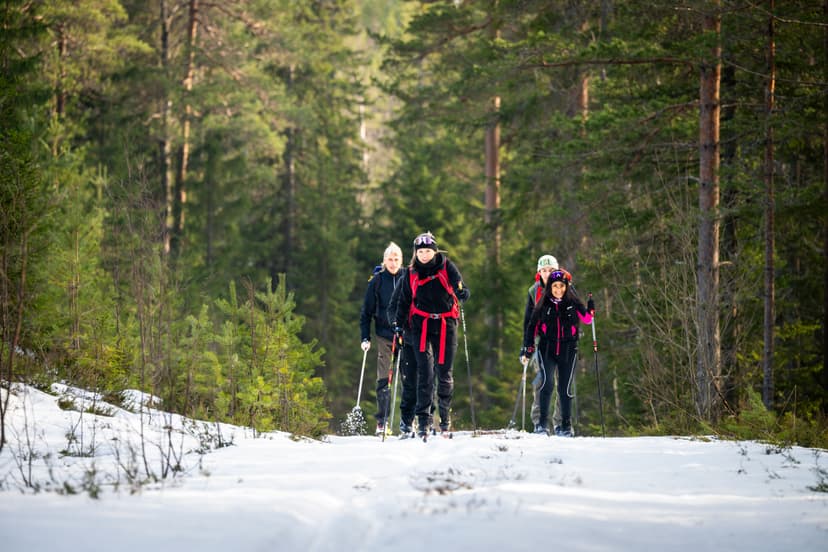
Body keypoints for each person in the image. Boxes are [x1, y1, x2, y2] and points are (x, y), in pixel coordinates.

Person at [393, 232, 469, 439]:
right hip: (421, 325)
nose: (424, 255)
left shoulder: (446, 266)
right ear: (415, 253)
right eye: (420, 252)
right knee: (425, 374)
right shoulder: (411, 273)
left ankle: (445, 419)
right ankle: (424, 422)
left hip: (446, 325)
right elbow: (404, 301)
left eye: (427, 251)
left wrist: (462, 292)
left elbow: (459, 285)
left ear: (434, 251)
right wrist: (398, 325)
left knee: (444, 373)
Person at [522, 269, 593, 436]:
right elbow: (531, 326)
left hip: (569, 350)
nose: (558, 290)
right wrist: (528, 346)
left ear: (566, 286)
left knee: (565, 388)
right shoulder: (543, 303)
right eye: (555, 286)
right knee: (547, 384)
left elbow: (588, 320)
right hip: (547, 349)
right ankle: (542, 425)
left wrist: (590, 308)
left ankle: (566, 426)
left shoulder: (573, 302)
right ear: (550, 288)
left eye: (561, 286)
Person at [359, 242, 404, 435]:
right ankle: (382, 421)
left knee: (408, 377)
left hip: (405, 334)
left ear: (401, 261)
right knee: (384, 377)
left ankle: (409, 420)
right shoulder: (377, 281)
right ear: (384, 261)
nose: (393, 263)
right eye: (389, 259)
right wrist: (365, 337)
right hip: (384, 335)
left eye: (396, 260)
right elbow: (366, 312)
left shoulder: (407, 277)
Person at [387, 266, 433, 438]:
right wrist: (395, 325)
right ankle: (407, 421)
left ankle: (426, 420)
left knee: (428, 378)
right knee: (410, 379)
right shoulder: (406, 278)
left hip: (430, 337)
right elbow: (392, 307)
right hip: (409, 335)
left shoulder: (437, 277)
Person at [521, 255, 564, 430]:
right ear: (539, 273)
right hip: (543, 342)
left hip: (564, 341)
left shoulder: (566, 288)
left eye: (551, 270)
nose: (547, 274)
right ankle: (540, 423)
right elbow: (528, 322)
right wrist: (526, 348)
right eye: (544, 271)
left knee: (563, 383)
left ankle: (562, 423)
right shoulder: (534, 291)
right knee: (542, 381)